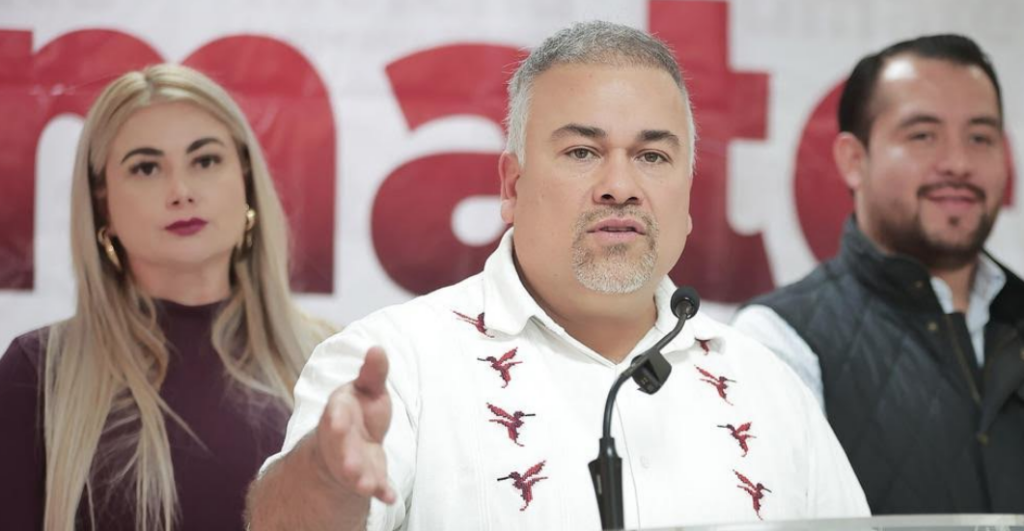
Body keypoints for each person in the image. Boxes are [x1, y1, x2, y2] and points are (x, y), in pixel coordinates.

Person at [247, 21, 868, 530]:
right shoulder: (395, 364)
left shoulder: (766, 385)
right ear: (512, 186)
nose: (620, 186)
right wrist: (326, 478)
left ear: (687, 196)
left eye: (652, 156)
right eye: (582, 152)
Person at [0, 64, 334, 531]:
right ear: (102, 203)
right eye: (146, 167)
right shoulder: (38, 373)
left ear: (246, 181)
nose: (181, 192)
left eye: (206, 160)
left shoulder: (335, 362)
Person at [733, 34, 1024, 514]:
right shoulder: (779, 341)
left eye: (980, 138)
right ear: (854, 159)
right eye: (923, 135)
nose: (958, 163)